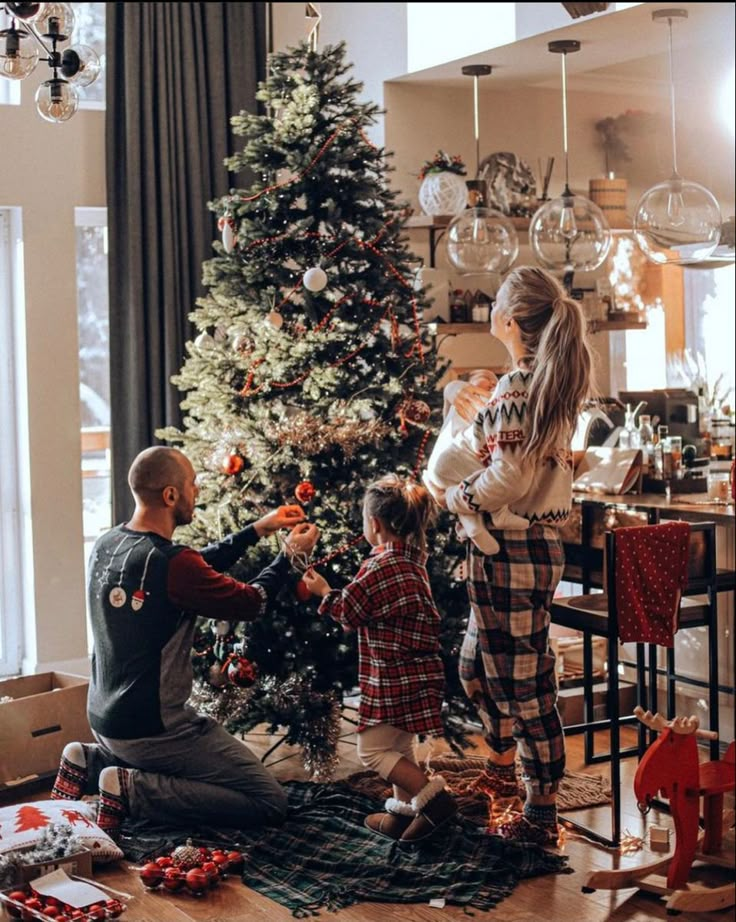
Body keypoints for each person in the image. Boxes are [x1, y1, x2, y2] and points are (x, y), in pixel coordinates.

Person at [51, 446, 319, 835]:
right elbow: (250, 602)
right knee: (268, 801)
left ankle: (90, 763)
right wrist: (288, 556)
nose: (197, 492)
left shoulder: (108, 544)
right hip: (156, 730)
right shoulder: (173, 563)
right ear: (171, 495)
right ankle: (131, 789)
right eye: (192, 484)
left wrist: (259, 529)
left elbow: (197, 565)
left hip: (103, 718)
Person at [425, 266, 594, 846]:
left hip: (515, 551)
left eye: (497, 300)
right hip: (516, 549)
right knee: (477, 667)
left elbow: (506, 478)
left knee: (524, 682)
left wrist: (454, 496)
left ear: (511, 321)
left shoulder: (519, 391)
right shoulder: (525, 386)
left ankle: (541, 808)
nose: (490, 306)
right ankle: (500, 773)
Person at [302, 474, 456, 843]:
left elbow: (349, 611)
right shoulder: (410, 560)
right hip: (412, 674)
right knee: (399, 747)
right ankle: (401, 816)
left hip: (392, 677)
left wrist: (322, 590)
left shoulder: (383, 566)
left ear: (375, 524)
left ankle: (434, 801)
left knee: (372, 752)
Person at [423, 368, 530, 554]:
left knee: (466, 483)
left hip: (440, 468)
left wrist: (452, 389)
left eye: (495, 383)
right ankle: (499, 511)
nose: (491, 384)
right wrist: (452, 388)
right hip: (453, 456)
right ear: (467, 385)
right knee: (486, 472)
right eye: (484, 378)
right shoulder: (471, 401)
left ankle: (473, 527)